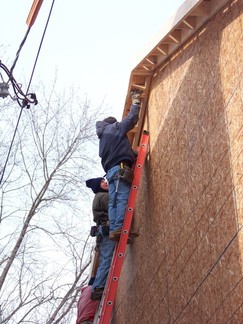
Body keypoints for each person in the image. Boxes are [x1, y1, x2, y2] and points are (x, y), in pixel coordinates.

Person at [95, 89, 142, 241]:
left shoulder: (103, 138)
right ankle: (120, 228)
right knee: (122, 197)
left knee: (113, 201)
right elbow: (131, 120)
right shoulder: (114, 128)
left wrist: (131, 153)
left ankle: (115, 228)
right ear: (113, 122)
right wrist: (135, 101)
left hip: (111, 171)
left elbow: (115, 151)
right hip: (120, 168)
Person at [86, 177, 116, 300]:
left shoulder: (99, 196)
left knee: (105, 258)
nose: (106, 183)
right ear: (98, 186)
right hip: (106, 231)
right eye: (102, 182)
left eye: (105, 181)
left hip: (102, 232)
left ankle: (98, 283)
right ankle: (98, 287)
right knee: (107, 259)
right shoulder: (103, 196)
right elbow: (114, 208)